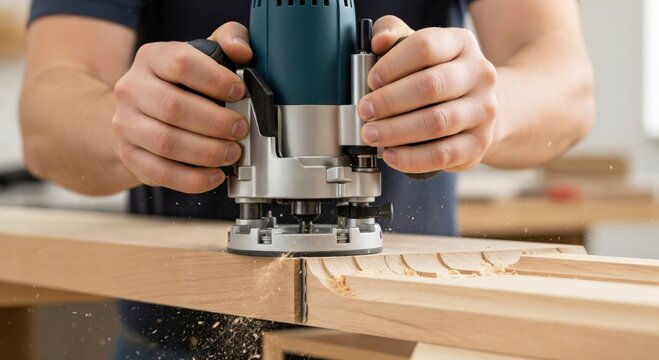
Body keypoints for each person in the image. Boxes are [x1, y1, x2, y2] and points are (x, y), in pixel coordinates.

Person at [19, 0, 594, 358]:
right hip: (180, 341)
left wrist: (483, 108)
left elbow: (568, 82)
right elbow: (46, 116)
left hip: (407, 336)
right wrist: (138, 129)